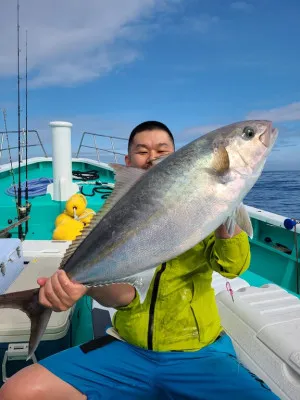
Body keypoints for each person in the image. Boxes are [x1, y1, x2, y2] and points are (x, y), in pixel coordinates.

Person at [0, 121, 278, 400]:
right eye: (142, 151)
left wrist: (225, 204)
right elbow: (123, 296)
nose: (153, 157)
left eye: (162, 149)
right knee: (16, 391)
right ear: (128, 161)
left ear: (178, 156)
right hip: (128, 348)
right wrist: (78, 286)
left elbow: (232, 267)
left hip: (199, 351)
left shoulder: (204, 212)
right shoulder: (115, 220)